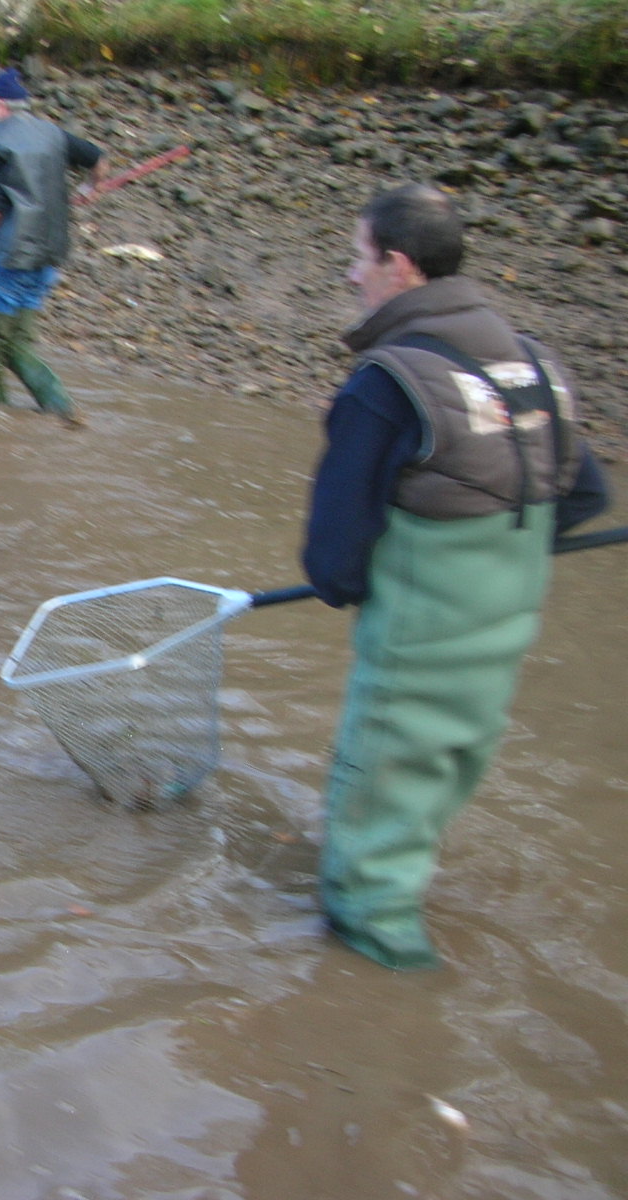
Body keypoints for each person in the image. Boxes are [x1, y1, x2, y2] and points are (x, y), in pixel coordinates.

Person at [301, 182, 611, 971]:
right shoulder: (537, 360)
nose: (350, 275)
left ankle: (386, 998)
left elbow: (333, 557)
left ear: (397, 266)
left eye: (357, 257)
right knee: (431, 793)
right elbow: (584, 495)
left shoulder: (388, 380)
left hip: (418, 648)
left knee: (367, 858)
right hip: (500, 641)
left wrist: (353, 584)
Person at [0, 67, 106, 429]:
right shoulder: (52, 133)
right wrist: (89, 189)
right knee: (16, 345)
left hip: (5, 257)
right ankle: (63, 410)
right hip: (48, 257)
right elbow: (97, 158)